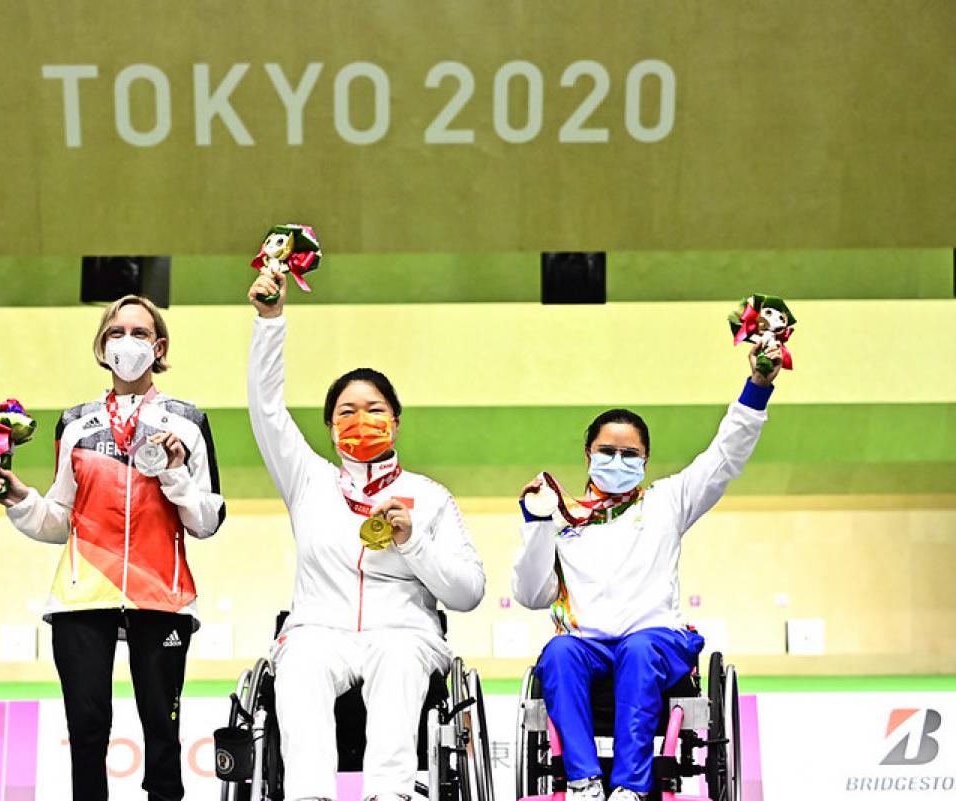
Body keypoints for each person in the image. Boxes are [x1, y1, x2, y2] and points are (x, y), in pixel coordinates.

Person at [246, 269, 486, 801]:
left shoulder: (430, 496)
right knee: (301, 660)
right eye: (346, 412)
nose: (361, 420)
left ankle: (390, 794)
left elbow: (468, 593)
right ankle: (309, 795)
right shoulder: (307, 479)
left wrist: (413, 541)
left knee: (397, 656)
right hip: (320, 629)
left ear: (396, 422)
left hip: (403, 631)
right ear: (330, 429)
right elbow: (265, 410)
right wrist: (269, 320)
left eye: (374, 409)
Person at [512, 342, 785, 801]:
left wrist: (759, 385)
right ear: (587, 455)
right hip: (588, 648)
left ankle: (629, 787)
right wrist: (538, 526)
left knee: (638, 649)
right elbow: (531, 595)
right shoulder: (562, 515)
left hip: (656, 641)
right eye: (606, 451)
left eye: (629, 454)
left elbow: (725, 456)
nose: (617, 461)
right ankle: (583, 782)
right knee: (558, 652)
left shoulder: (667, 501)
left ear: (645, 462)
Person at [0, 294, 225, 801]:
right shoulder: (75, 422)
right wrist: (18, 498)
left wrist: (175, 472)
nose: (127, 343)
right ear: (100, 347)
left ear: (159, 347)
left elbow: (206, 521)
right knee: (88, 732)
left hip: (161, 592)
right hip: (82, 593)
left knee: (163, 733)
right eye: (116, 333)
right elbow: (60, 519)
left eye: (140, 333)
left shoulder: (188, 421)